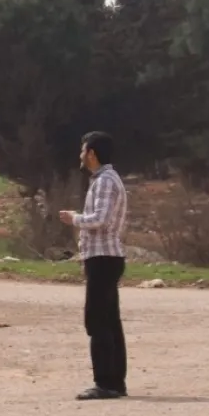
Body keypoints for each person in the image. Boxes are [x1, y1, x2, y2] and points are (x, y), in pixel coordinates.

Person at [58, 131, 129, 401]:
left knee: (97, 320)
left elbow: (100, 219)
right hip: (104, 258)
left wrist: (74, 218)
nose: (80, 155)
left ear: (92, 153)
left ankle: (105, 382)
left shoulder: (106, 182)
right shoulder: (103, 181)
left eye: (82, 150)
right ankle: (115, 382)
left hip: (104, 258)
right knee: (110, 321)